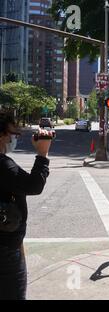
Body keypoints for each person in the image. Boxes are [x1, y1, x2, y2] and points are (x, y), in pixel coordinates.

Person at [0, 111, 52, 300]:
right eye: (13, 134)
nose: (14, 139)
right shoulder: (3, 165)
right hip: (5, 248)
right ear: (2, 135)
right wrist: (42, 153)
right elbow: (34, 186)